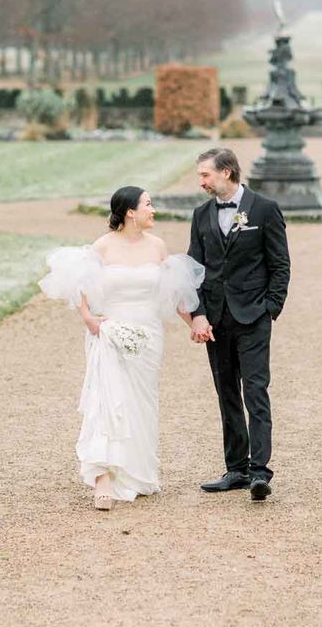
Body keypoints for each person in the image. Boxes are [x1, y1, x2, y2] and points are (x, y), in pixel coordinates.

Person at [39, 186, 204, 511]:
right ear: (130, 211)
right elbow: (79, 280)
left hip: (148, 336)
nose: (153, 209)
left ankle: (136, 473)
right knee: (108, 401)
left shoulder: (157, 247)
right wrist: (89, 318)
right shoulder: (103, 245)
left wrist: (196, 324)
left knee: (140, 405)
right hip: (110, 331)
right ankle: (103, 478)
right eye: (148, 204)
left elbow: (174, 294)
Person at [188, 148, 290, 501]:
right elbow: (194, 270)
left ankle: (260, 472)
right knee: (226, 392)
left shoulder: (264, 209)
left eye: (205, 175)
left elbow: (280, 265)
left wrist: (270, 309)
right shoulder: (201, 215)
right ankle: (236, 469)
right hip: (216, 318)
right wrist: (198, 313)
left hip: (253, 316)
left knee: (256, 392)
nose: (201, 181)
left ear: (227, 172)